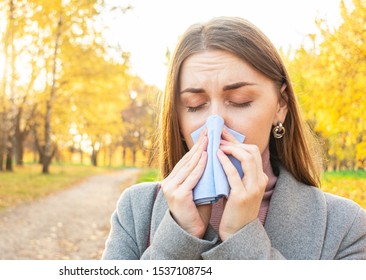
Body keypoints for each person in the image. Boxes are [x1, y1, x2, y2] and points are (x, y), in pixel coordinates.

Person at [102, 17, 366, 260]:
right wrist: (178, 237)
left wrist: (243, 237)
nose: (215, 124)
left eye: (240, 102)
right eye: (195, 105)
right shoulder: (135, 211)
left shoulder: (345, 226)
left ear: (280, 105)